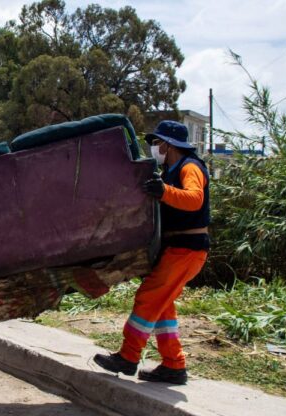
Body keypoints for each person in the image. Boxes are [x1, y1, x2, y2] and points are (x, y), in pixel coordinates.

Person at [93, 120, 210, 385]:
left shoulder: (190, 166)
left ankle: (128, 356)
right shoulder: (171, 169)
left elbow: (194, 199)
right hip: (180, 249)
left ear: (170, 144)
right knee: (162, 306)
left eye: (158, 143)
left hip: (186, 249)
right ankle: (174, 365)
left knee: (147, 298)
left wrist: (163, 192)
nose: (156, 147)